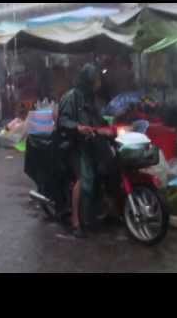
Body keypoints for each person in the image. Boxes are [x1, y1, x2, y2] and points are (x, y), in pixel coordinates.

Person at [57, 63, 113, 238]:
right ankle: (76, 222)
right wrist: (78, 127)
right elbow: (63, 121)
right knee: (84, 179)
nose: (98, 83)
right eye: (95, 80)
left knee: (104, 169)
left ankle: (95, 212)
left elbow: (98, 119)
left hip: (91, 143)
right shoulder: (71, 97)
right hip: (72, 145)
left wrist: (107, 127)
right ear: (88, 80)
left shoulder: (91, 99)